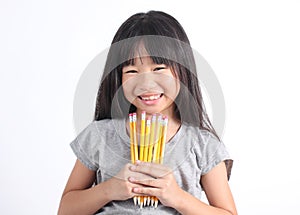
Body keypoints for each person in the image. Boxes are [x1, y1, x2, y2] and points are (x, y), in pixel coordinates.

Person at [58, 10, 237, 215]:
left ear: (182, 70)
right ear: (118, 78)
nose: (146, 83)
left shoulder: (202, 144)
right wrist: (109, 189)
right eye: (132, 71)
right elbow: (65, 210)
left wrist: (177, 197)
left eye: (159, 68)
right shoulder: (100, 135)